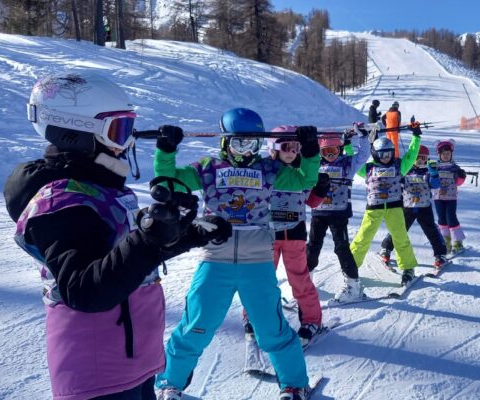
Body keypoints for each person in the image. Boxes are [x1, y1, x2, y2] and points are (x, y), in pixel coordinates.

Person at [4, 72, 232, 400]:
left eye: (129, 129)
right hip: (98, 375)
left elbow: (125, 258)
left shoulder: (100, 190)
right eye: (119, 131)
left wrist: (187, 234)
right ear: (75, 133)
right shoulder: (62, 202)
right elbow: (85, 290)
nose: (128, 142)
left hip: (134, 359)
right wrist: (148, 239)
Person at [152, 108, 320, 400]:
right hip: (215, 258)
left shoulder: (269, 168)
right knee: (196, 324)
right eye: (239, 143)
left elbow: (305, 180)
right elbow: (168, 180)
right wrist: (166, 150)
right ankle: (171, 382)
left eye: (252, 144)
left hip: (257, 261)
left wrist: (310, 150)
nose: (246, 151)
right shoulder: (209, 168)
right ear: (225, 142)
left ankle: (294, 384)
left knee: (271, 328)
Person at [240, 125, 331, 348]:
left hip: (293, 234)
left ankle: (311, 320)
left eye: (296, 147)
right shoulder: (262, 170)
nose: (291, 152)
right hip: (266, 235)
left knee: (299, 278)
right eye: (286, 147)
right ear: (273, 148)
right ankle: (253, 315)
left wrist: (320, 186)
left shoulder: (302, 173)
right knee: (260, 278)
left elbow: (312, 197)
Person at [349, 123, 422, 287]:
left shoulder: (399, 166)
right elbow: (354, 162)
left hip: (394, 208)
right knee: (363, 237)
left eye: (388, 153)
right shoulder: (368, 169)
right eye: (381, 154)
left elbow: (411, 156)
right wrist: (347, 145)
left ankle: (408, 267)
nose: (385, 157)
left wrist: (416, 137)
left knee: (400, 237)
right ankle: (351, 265)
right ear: (375, 154)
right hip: (373, 209)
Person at [306, 128, 370, 303]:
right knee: (312, 247)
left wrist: (363, 136)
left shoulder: (348, 164)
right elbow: (302, 162)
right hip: (318, 213)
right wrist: (307, 142)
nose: (330, 155)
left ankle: (353, 286)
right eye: (325, 151)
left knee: (341, 247)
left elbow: (363, 155)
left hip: (338, 214)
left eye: (333, 151)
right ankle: (305, 283)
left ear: (340, 150)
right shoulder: (315, 165)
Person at [378, 144, 449, 268]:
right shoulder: (405, 170)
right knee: (399, 229)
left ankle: (440, 253)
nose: (420, 160)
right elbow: (394, 181)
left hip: (424, 206)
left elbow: (436, 185)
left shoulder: (428, 172)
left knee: (431, 230)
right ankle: (386, 248)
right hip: (408, 205)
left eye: (424, 158)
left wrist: (434, 174)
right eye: (418, 157)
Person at [432, 139, 468, 256]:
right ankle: (446, 243)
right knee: (442, 220)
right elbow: (430, 180)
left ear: (451, 154)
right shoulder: (435, 167)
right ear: (439, 154)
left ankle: (457, 242)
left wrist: (461, 176)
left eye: (448, 153)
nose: (446, 156)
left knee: (451, 218)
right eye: (443, 154)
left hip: (451, 198)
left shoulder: (454, 167)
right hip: (438, 198)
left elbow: (458, 183)